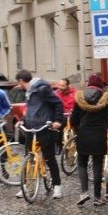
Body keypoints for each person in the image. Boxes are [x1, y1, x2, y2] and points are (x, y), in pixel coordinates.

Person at [71, 73, 108, 206]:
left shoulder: (80, 99)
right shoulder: (105, 99)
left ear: (88, 84)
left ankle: (84, 192)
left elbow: (73, 119)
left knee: (82, 163)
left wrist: (77, 130)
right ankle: (97, 197)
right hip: (99, 135)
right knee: (97, 165)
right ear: (100, 85)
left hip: (83, 135)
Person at [15, 70, 65, 199]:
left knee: (49, 158)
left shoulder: (42, 89)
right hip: (31, 128)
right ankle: (26, 186)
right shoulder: (29, 92)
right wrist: (23, 121)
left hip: (44, 128)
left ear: (21, 81)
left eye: (19, 83)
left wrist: (57, 121)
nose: (19, 85)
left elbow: (57, 103)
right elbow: (30, 110)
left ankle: (57, 186)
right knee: (28, 157)